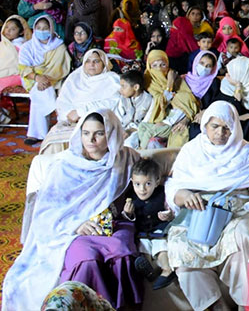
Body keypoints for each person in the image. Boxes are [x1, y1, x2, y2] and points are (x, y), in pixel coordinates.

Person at [2, 110, 141, 310]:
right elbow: (46, 212)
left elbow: (144, 187)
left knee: (122, 255)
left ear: (111, 133)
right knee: (87, 261)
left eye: (99, 133)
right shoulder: (64, 165)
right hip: (75, 231)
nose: (91, 139)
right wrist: (76, 225)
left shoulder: (126, 159)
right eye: (86, 133)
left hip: (114, 225)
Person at [165, 101, 249, 311]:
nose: (220, 133)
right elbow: (174, 187)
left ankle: (247, 305)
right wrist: (184, 196)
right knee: (179, 246)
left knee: (244, 235)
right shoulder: (191, 151)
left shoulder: (245, 153)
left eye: (226, 127)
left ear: (235, 128)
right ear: (205, 126)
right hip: (199, 211)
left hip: (236, 210)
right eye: (214, 126)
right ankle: (215, 306)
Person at [39, 49, 122, 154]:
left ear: (104, 63)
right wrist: (68, 115)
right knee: (53, 141)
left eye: (96, 61)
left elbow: (112, 103)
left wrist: (80, 112)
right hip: (72, 122)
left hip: (98, 123)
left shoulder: (112, 80)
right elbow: (62, 101)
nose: (91, 64)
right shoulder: (75, 78)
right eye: (88, 61)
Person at [123, 158, 176, 290]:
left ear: (157, 181)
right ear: (132, 182)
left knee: (161, 247)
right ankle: (149, 271)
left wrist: (168, 216)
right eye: (137, 184)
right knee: (142, 249)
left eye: (148, 184)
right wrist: (128, 213)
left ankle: (166, 269)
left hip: (159, 231)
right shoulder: (130, 197)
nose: (142, 189)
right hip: (141, 233)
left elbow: (172, 211)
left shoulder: (163, 193)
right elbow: (127, 219)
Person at [18, 14, 71, 144]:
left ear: (52, 29)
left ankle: (35, 133)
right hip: (31, 78)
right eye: (39, 28)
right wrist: (37, 77)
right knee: (39, 90)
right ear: (34, 29)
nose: (42, 31)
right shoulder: (27, 47)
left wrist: (46, 79)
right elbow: (23, 68)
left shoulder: (58, 46)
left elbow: (60, 67)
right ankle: (46, 130)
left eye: (45, 28)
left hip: (54, 78)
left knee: (42, 90)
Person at [138, 50, 199, 148]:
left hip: (174, 121)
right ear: (149, 67)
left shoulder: (177, 79)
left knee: (175, 135)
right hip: (155, 119)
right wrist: (169, 84)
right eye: (154, 65)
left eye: (163, 65)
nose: (159, 69)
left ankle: (143, 152)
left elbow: (189, 102)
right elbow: (161, 102)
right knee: (142, 128)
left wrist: (185, 119)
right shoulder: (149, 80)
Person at [115, 70, 155, 146]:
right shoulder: (123, 99)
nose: (121, 90)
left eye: (124, 86)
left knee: (129, 143)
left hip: (138, 130)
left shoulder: (149, 100)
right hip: (123, 128)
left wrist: (131, 130)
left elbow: (146, 122)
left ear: (136, 87)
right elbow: (118, 116)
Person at [0, 15, 30, 95]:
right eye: (6, 27)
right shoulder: (2, 44)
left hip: (15, 76)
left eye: (13, 29)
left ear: (21, 32)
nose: (8, 31)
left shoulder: (22, 46)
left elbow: (16, 65)